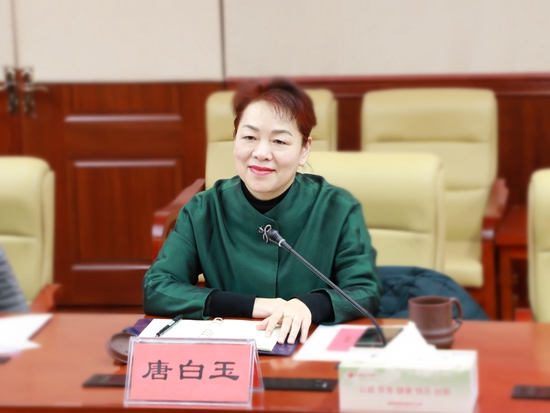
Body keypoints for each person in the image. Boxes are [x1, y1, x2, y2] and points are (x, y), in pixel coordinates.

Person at [143, 78, 381, 345]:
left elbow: (365, 291)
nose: (261, 153)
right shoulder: (203, 209)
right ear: (235, 141)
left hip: (308, 346)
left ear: (304, 150)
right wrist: (254, 305)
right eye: (249, 137)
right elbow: (157, 287)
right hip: (230, 350)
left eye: (279, 141)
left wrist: (308, 305)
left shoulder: (337, 208)